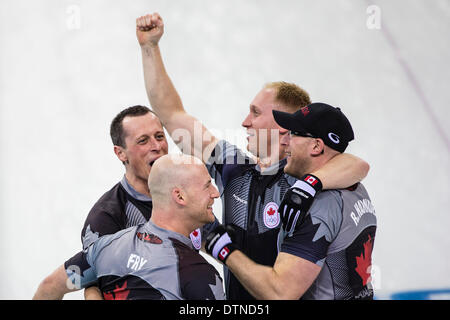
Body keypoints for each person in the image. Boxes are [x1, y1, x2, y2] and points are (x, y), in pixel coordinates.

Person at [135, 13, 371, 300]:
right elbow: (172, 115)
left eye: (256, 113)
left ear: (285, 126)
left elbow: (356, 165)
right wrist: (150, 48)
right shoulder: (235, 168)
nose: (245, 122)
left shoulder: (300, 177)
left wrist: (312, 182)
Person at [205, 103, 377, 300]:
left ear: (316, 146)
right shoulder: (355, 187)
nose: (285, 141)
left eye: (293, 134)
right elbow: (358, 165)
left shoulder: (318, 204)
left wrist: (225, 251)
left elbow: (280, 293)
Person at [39, 105, 202, 299]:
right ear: (120, 153)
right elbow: (86, 285)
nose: (157, 146)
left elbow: (216, 240)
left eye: (159, 136)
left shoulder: (184, 191)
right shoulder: (107, 216)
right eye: (143, 140)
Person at [33, 154, 225, 300]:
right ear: (179, 196)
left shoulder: (108, 247)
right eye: (207, 186)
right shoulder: (200, 276)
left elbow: (50, 286)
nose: (215, 193)